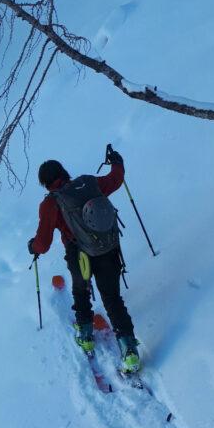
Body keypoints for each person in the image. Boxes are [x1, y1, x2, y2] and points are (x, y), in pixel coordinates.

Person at [27, 148, 141, 373]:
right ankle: (129, 353)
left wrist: (32, 246)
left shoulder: (50, 204)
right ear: (64, 172)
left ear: (45, 183)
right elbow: (116, 179)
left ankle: (86, 337)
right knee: (112, 299)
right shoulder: (88, 184)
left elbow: (43, 243)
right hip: (108, 248)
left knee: (81, 291)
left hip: (79, 256)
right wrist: (117, 161)